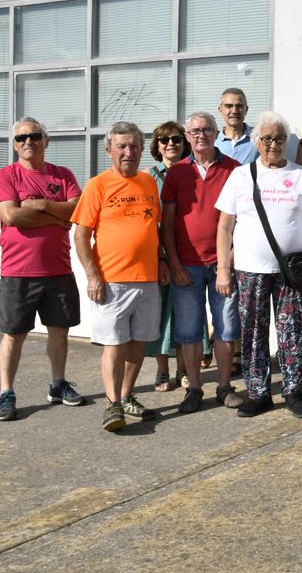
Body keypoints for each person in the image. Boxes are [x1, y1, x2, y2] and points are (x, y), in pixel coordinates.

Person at [215, 112, 302, 419]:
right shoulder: (241, 175)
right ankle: (258, 392)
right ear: (257, 142)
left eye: (279, 139)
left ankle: (293, 391)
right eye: (267, 139)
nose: (273, 145)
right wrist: (223, 269)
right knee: (253, 331)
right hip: (250, 269)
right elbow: (225, 227)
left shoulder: (299, 175)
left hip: (291, 271)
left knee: (292, 331)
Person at [71, 122, 167, 433]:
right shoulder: (97, 185)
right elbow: (81, 236)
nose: (129, 152)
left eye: (134, 146)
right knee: (114, 344)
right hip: (111, 281)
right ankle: (112, 404)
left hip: (147, 279)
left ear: (142, 148)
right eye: (122, 147)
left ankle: (127, 396)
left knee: (138, 343)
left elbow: (155, 228)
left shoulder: (148, 183)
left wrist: (162, 261)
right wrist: (92, 276)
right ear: (109, 150)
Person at [0, 118, 84, 421]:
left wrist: (40, 205)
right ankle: (6, 392)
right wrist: (57, 218)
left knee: (59, 331)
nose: (28, 141)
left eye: (35, 136)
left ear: (46, 140)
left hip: (58, 269)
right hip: (18, 272)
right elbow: (12, 216)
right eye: (21, 138)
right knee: (14, 334)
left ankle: (58, 384)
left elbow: (78, 209)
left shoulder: (63, 174)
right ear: (15, 144)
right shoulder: (5, 176)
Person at [162, 112, 242, 414]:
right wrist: (174, 264)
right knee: (189, 331)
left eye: (207, 130)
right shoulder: (177, 173)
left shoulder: (235, 170)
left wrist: (229, 261)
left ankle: (224, 387)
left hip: (223, 264)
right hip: (186, 265)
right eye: (195, 131)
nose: (201, 135)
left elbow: (242, 219)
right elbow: (167, 225)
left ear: (217, 133)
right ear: (187, 135)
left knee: (226, 328)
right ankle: (194, 389)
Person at [147, 120, 188, 394]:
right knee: (160, 315)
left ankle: (184, 369)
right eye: (164, 140)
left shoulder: (191, 173)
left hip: (187, 253)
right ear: (157, 146)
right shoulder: (149, 177)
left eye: (176, 139)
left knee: (185, 314)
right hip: (158, 256)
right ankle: (163, 370)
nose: (171, 143)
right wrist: (160, 256)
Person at [215, 87, 302, 165]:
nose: (234, 111)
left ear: (246, 110)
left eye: (239, 106)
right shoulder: (213, 141)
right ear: (220, 110)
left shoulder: (260, 136)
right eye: (228, 106)